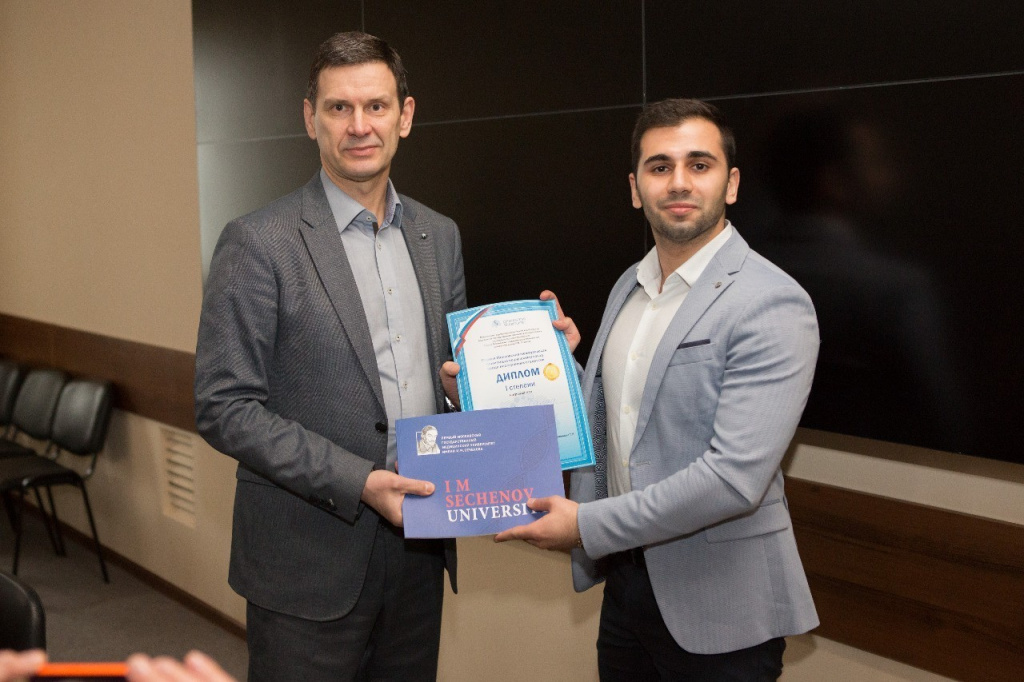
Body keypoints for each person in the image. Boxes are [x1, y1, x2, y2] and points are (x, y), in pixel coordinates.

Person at [491, 99, 820, 680]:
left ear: (731, 183)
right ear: (635, 189)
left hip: (721, 609)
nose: (679, 182)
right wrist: (548, 369)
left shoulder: (771, 301)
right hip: (627, 588)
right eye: (660, 166)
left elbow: (733, 478)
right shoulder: (631, 284)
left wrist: (585, 526)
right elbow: (625, 417)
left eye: (700, 164)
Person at [194, 31, 465, 681]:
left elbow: (450, 381)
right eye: (339, 107)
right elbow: (223, 406)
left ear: (405, 116)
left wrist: (499, 374)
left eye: (376, 106)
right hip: (305, 562)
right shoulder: (258, 242)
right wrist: (358, 481)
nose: (359, 126)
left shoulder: (440, 236)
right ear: (310, 118)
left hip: (420, 548)